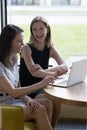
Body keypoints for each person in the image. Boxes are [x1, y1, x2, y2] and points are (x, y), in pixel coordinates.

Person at [0, 24, 56, 130]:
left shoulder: (14, 59)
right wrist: (41, 84)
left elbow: (17, 86)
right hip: (3, 107)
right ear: (8, 42)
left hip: (12, 102)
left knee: (47, 103)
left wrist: (28, 99)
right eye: (19, 41)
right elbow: (13, 92)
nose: (23, 44)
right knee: (39, 110)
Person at [19, 16, 68, 128]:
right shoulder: (26, 48)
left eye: (41, 28)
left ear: (47, 30)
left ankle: (51, 127)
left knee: (57, 101)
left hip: (41, 87)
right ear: (31, 32)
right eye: (34, 29)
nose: (38, 32)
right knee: (49, 102)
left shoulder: (50, 48)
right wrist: (54, 71)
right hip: (27, 89)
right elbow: (34, 72)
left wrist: (47, 71)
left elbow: (65, 65)